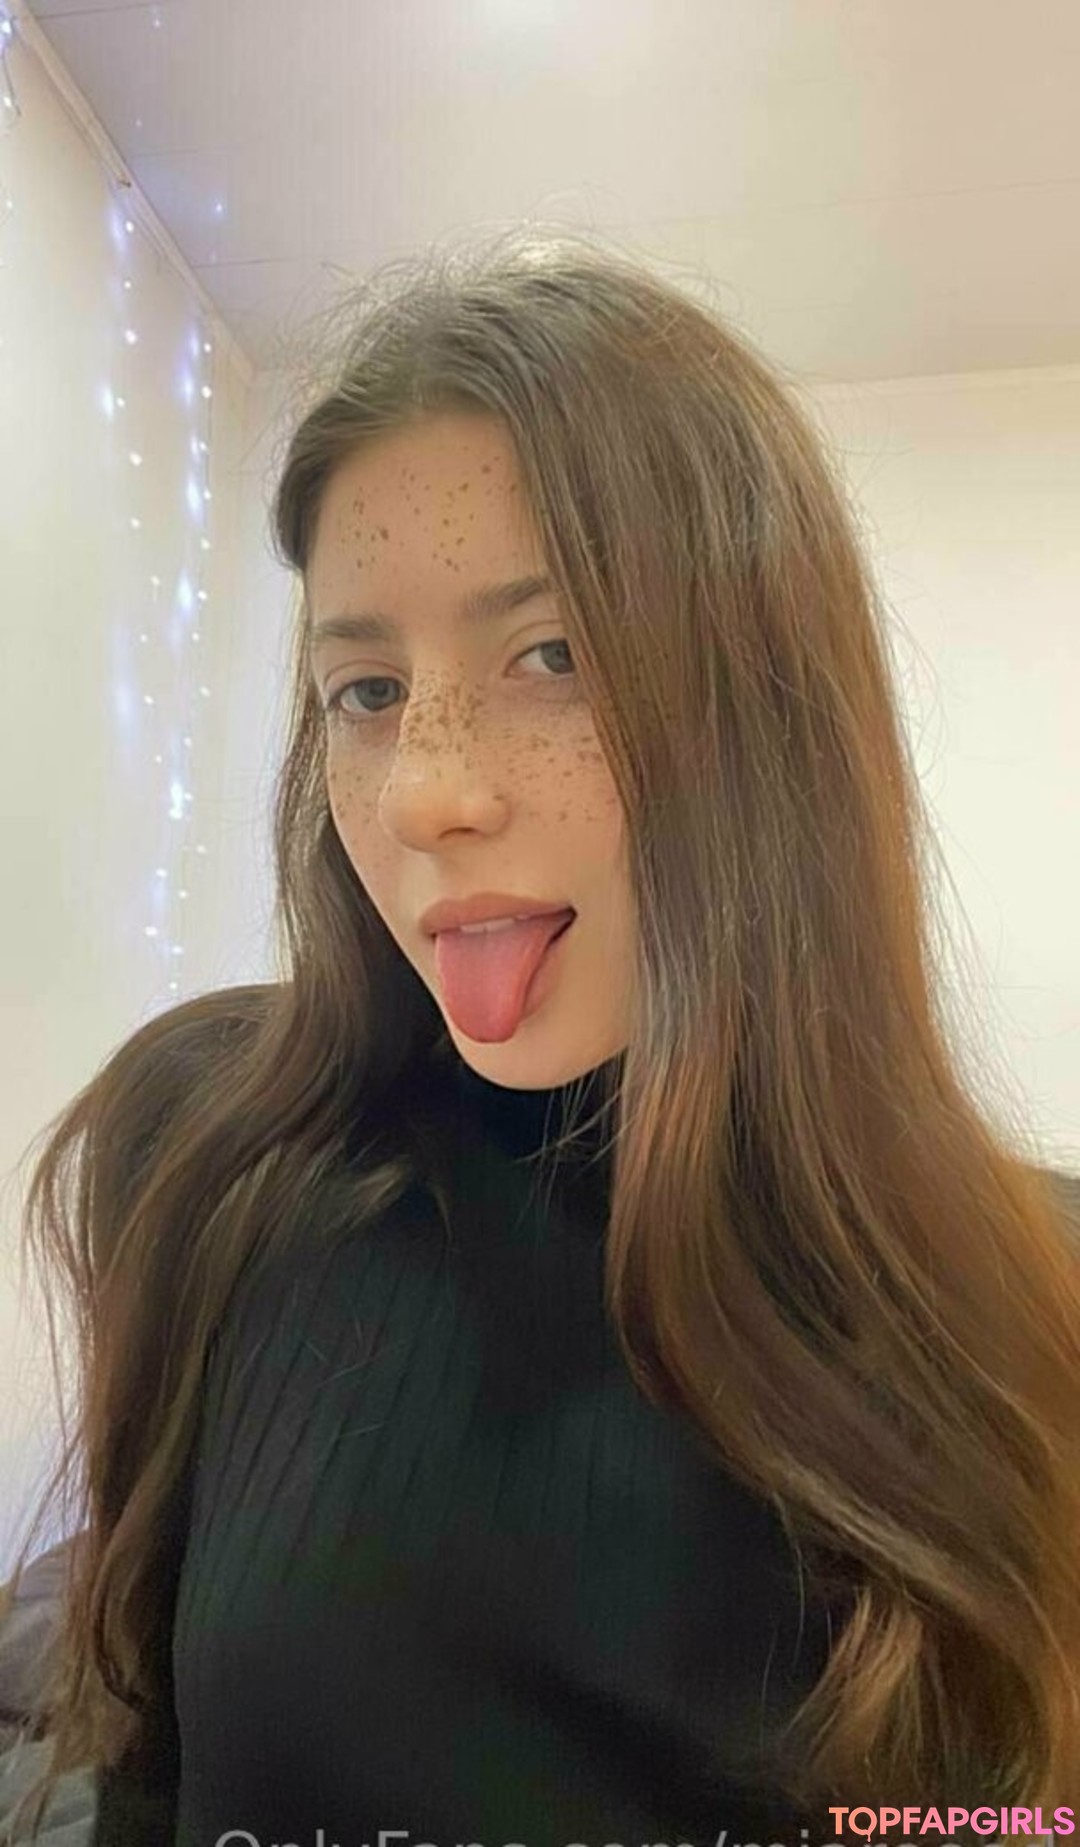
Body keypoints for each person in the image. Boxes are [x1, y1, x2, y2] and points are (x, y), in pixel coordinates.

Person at [5, 227, 1079, 1847]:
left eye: (553, 656)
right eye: (368, 691)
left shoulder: (1038, 1301)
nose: (426, 795)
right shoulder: (208, 1139)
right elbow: (146, 1762)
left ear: (770, 709)